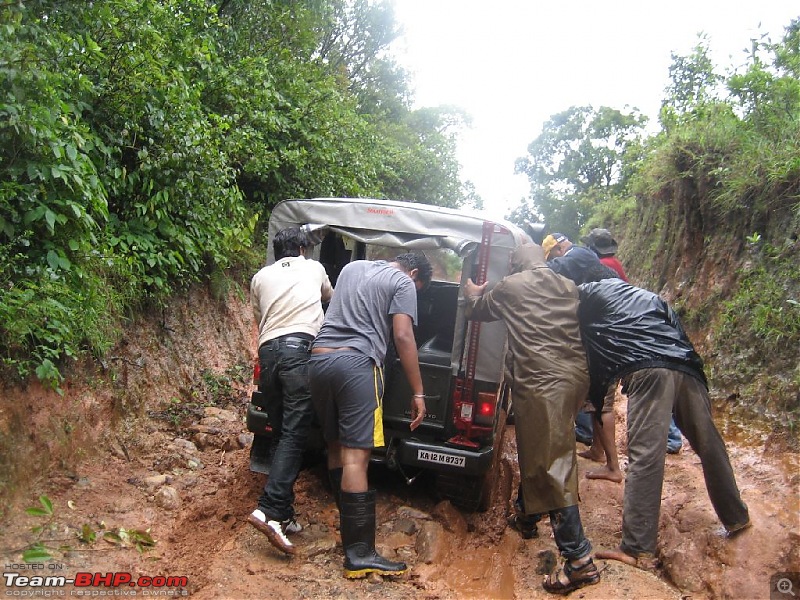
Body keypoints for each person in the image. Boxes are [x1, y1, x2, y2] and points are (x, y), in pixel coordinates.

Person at [577, 278, 751, 567]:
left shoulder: (586, 295)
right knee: (708, 443)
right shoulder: (650, 297)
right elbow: (679, 331)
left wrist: (595, 395)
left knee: (645, 453)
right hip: (686, 366)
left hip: (648, 369)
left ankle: (636, 547)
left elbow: (593, 350)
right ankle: (736, 517)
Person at [465, 244, 601, 595]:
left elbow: (477, 312)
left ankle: (578, 560)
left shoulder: (511, 286)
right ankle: (526, 515)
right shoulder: (567, 284)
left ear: (515, 264)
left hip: (542, 383)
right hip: (574, 379)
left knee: (552, 463)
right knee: (545, 446)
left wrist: (472, 294)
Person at [308, 253, 431, 579]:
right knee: (355, 459)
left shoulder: (351, 268)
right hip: (357, 364)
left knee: (335, 447)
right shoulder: (403, 282)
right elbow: (403, 336)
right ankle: (359, 554)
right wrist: (418, 392)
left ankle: (350, 534)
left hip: (319, 361)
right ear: (414, 273)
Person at [247, 228, 334, 555]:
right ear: (301, 248)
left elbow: (260, 318)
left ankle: (284, 513)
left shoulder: (260, 277)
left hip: (268, 357)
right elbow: (331, 298)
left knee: (283, 433)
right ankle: (267, 509)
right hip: (300, 355)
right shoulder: (313, 268)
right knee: (295, 436)